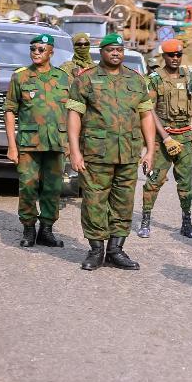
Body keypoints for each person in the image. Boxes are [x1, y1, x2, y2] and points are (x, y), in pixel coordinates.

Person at [67, 33, 156, 271]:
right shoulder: (86, 79)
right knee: (94, 202)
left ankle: (116, 250)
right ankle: (96, 251)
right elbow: (74, 115)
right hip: (96, 152)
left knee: (124, 202)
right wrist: (74, 151)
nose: (115, 53)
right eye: (110, 50)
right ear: (102, 52)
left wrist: (150, 150)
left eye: (119, 49)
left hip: (129, 152)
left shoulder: (136, 79)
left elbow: (146, 115)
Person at [5, 34, 69, 248]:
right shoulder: (20, 77)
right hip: (28, 143)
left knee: (53, 188)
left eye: (41, 49)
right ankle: (29, 228)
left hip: (56, 142)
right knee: (28, 186)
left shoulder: (64, 78)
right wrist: (11, 145)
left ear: (51, 52)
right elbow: (10, 111)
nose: (36, 52)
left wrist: (72, 143)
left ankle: (46, 230)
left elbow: (73, 112)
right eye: (33, 48)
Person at [136, 39, 192, 240]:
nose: (175, 58)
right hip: (162, 138)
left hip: (185, 137)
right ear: (164, 56)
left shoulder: (189, 76)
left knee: (186, 183)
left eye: (178, 55)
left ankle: (187, 223)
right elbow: (149, 110)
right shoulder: (155, 79)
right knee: (154, 181)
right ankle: (145, 220)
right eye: (171, 55)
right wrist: (165, 138)